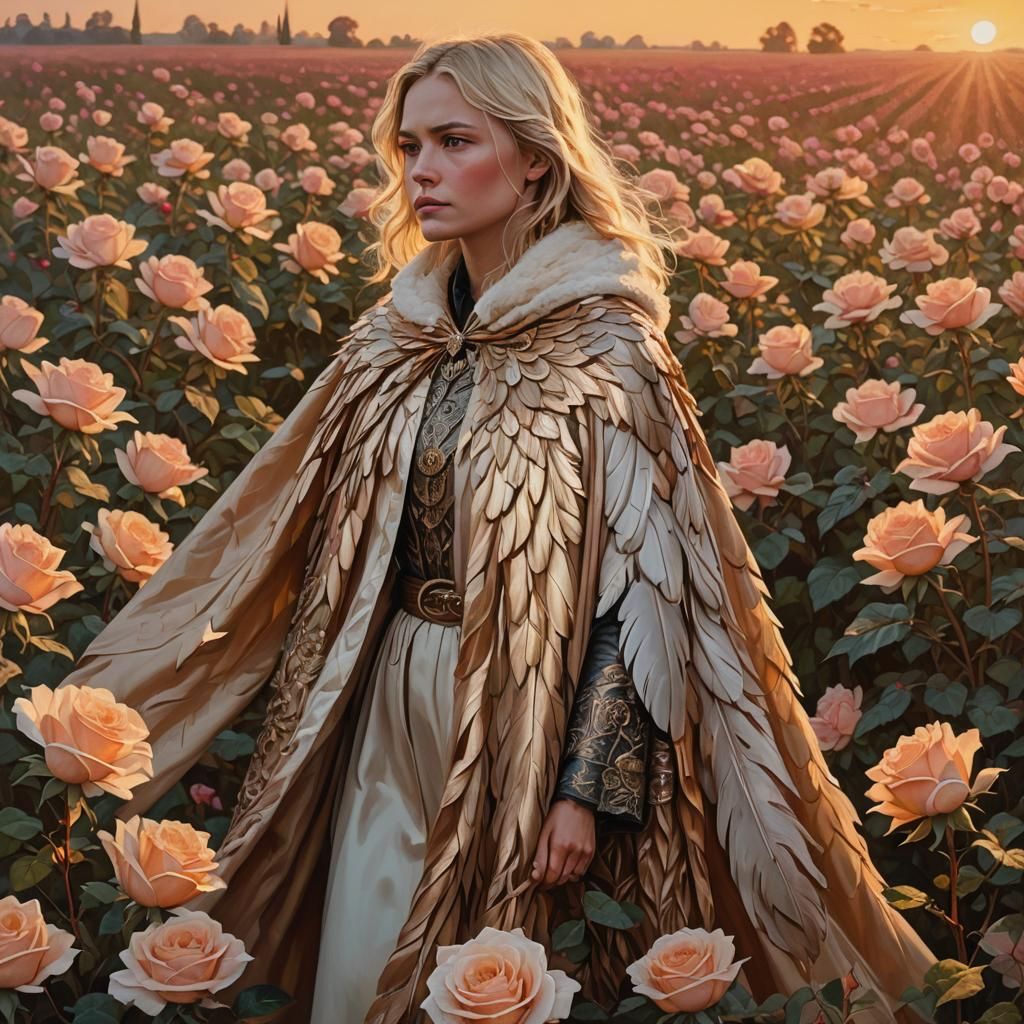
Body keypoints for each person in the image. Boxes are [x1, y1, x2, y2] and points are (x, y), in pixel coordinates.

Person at [56, 31, 936, 1024]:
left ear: (535, 163)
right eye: (409, 146)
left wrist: (585, 787)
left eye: (453, 141)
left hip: (533, 713)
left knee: (503, 980)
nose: (423, 170)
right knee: (358, 956)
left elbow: (648, 596)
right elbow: (263, 529)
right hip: (383, 692)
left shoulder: (610, 349)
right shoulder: (397, 335)